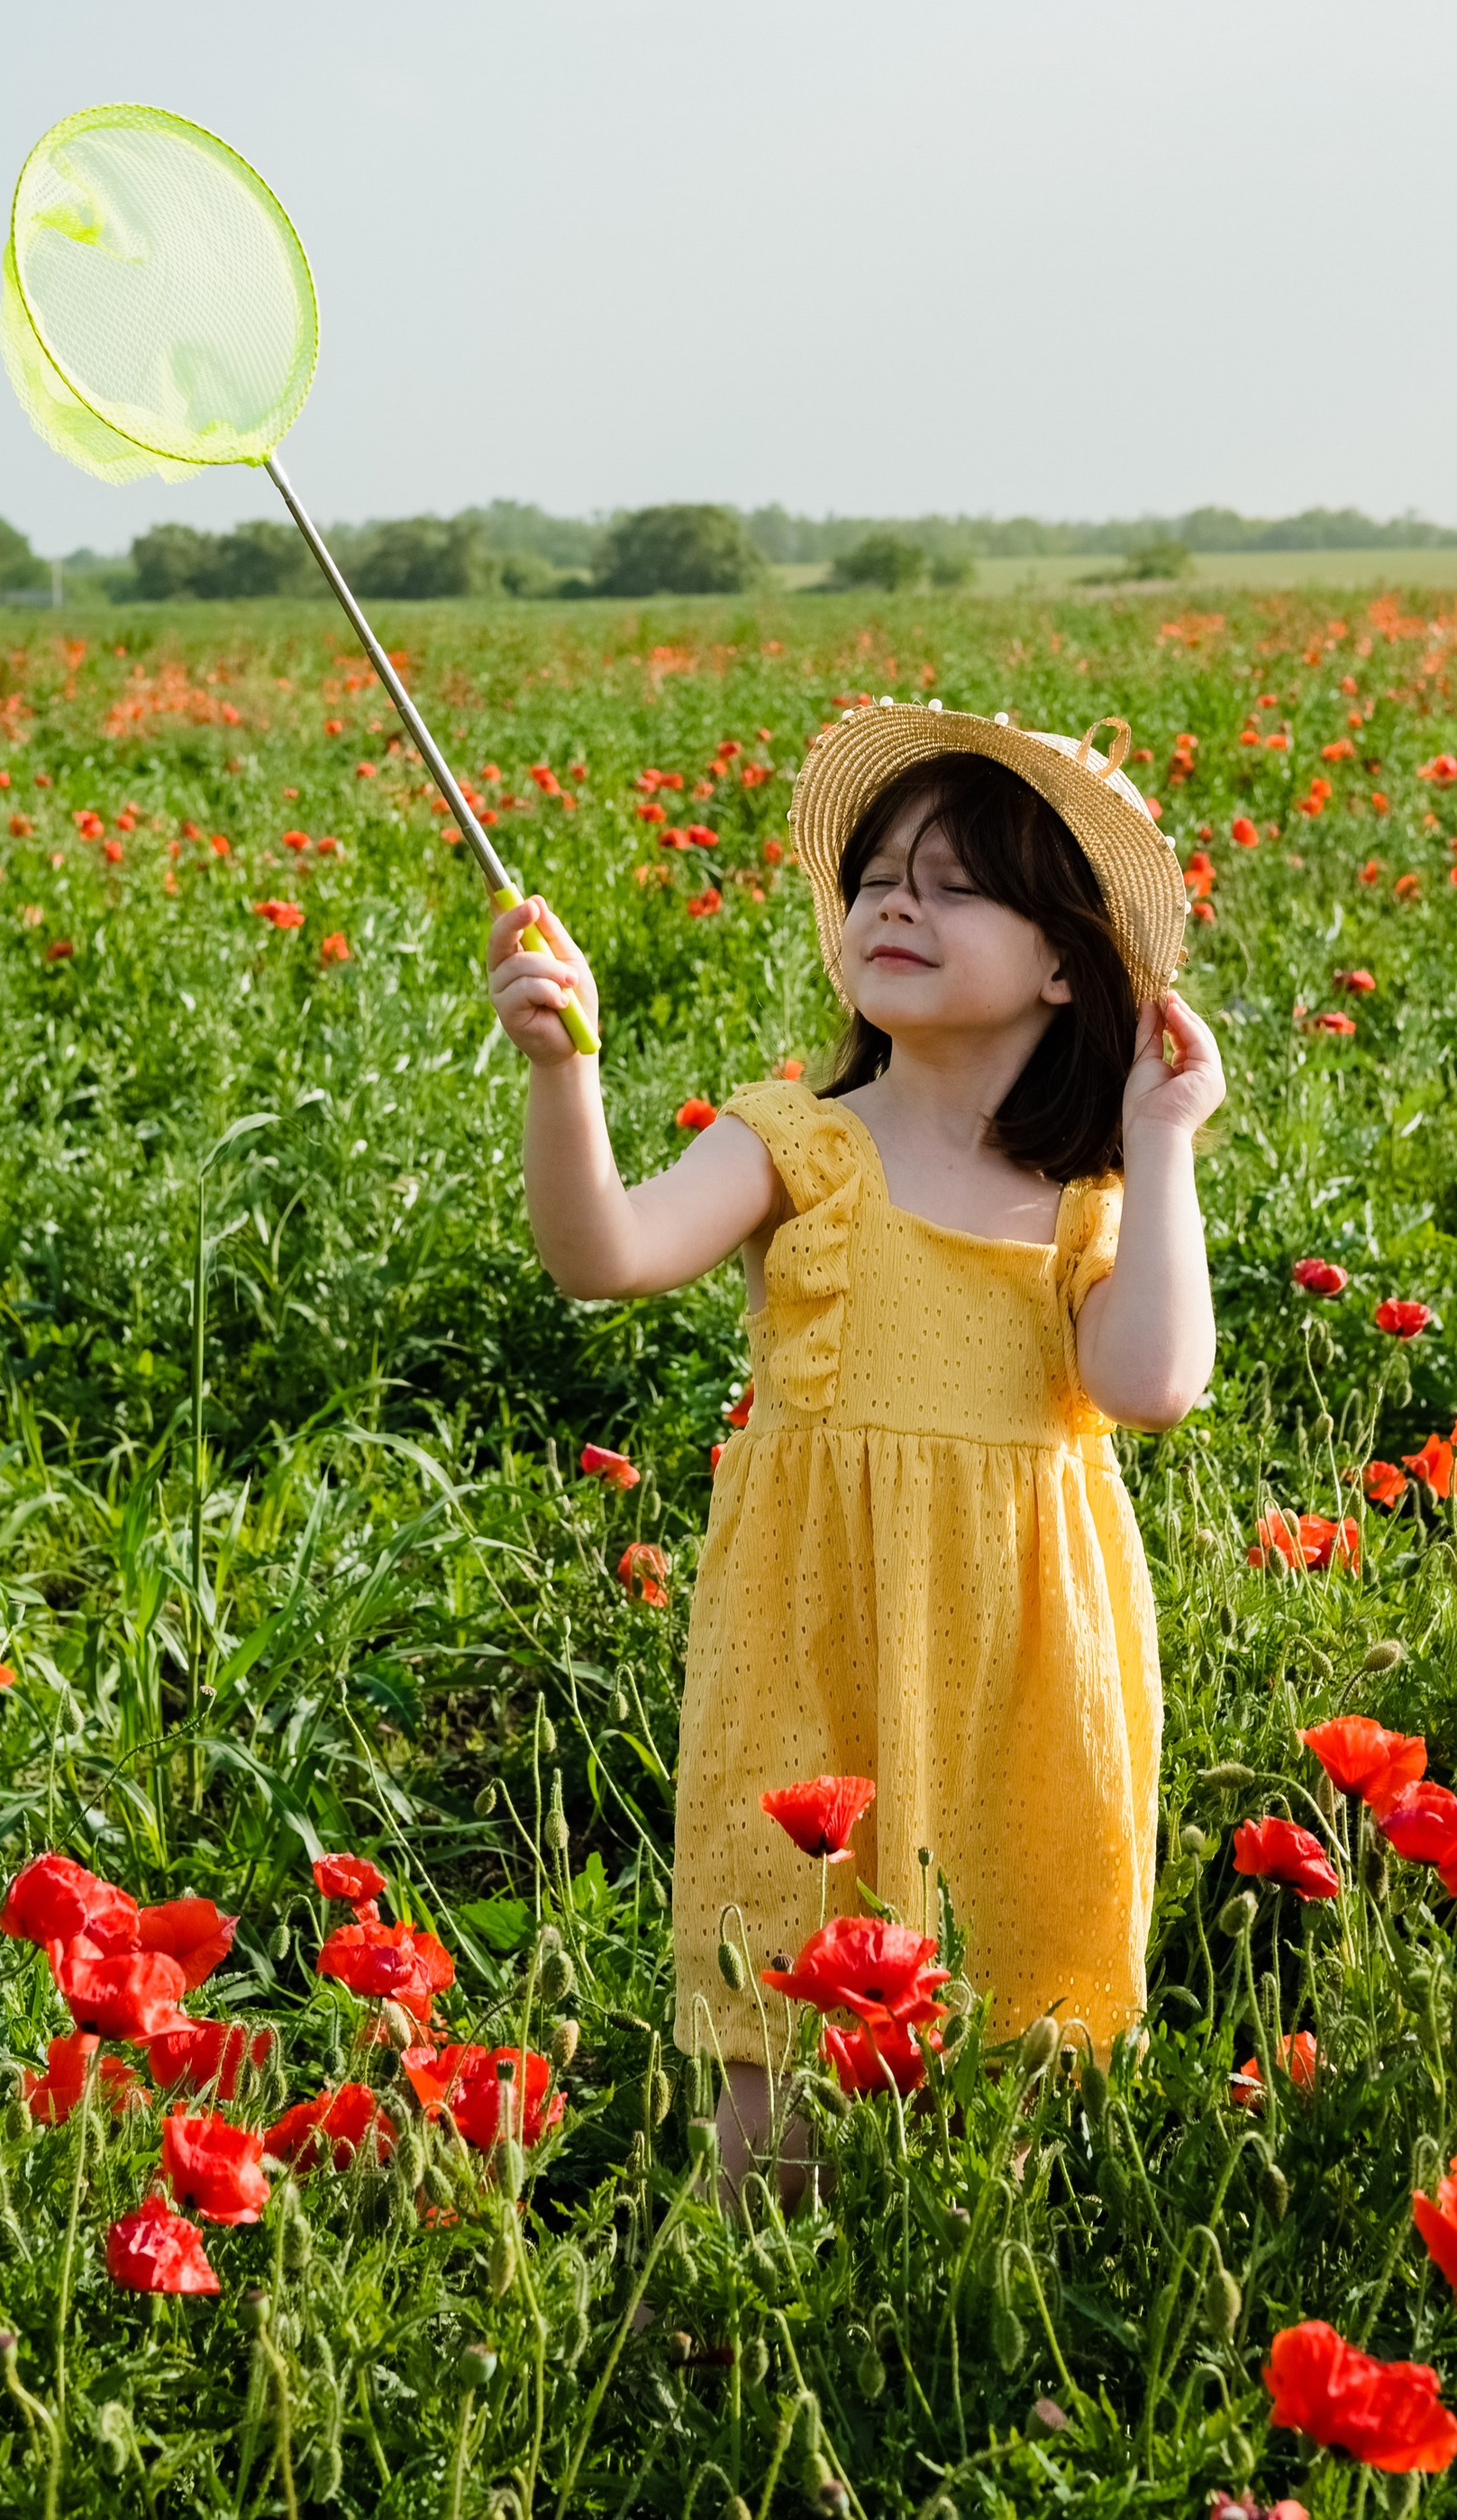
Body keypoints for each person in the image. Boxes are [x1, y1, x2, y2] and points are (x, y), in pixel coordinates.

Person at [487, 699, 1223, 2181]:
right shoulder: (797, 1143)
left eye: (955, 886)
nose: (896, 904)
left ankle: (955, 2306)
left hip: (1024, 1669)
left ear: (1065, 962)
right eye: (879, 877)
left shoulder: (1088, 1197)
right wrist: (565, 1074)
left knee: (1019, 2046)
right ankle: (734, 2304)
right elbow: (605, 1254)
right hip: (814, 1653)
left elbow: (1151, 1384)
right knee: (782, 2061)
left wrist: (1162, 1138)